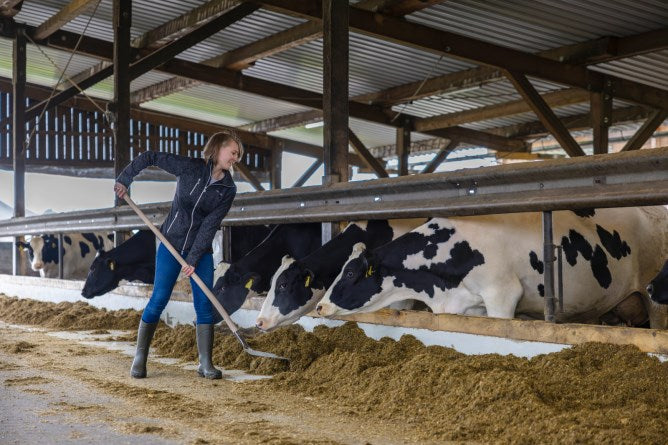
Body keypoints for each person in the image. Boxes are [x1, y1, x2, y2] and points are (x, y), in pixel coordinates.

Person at [114, 131, 242, 380]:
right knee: (159, 299)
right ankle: (140, 357)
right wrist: (125, 179)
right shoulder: (190, 167)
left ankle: (205, 364)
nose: (236, 158)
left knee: (204, 304)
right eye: (233, 152)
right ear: (217, 149)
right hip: (170, 244)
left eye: (238, 155)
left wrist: (193, 259)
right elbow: (150, 156)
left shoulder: (228, 189)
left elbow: (210, 225)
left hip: (200, 252)